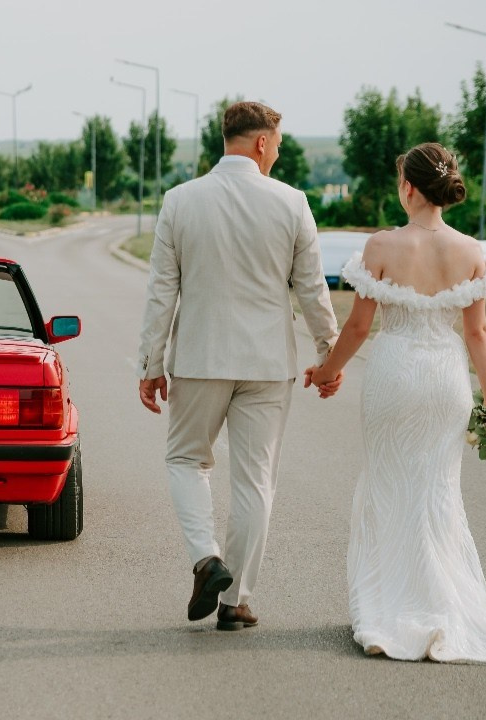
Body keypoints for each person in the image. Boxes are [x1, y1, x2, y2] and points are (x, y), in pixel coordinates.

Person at [307, 142, 486, 664]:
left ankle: (390, 606)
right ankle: (441, 605)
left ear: (408, 187)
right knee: (437, 492)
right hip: (444, 380)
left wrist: (327, 371)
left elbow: (360, 326)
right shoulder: (472, 251)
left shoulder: (381, 247)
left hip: (394, 376)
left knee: (388, 485)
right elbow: (477, 332)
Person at [136, 101, 340, 630]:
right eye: (277, 143)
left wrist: (150, 362)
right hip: (268, 362)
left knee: (186, 461)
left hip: (200, 358)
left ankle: (206, 560)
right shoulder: (292, 203)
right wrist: (329, 353)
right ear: (262, 143)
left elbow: (162, 291)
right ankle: (236, 602)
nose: (278, 151)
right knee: (255, 482)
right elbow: (312, 289)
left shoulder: (180, 201)